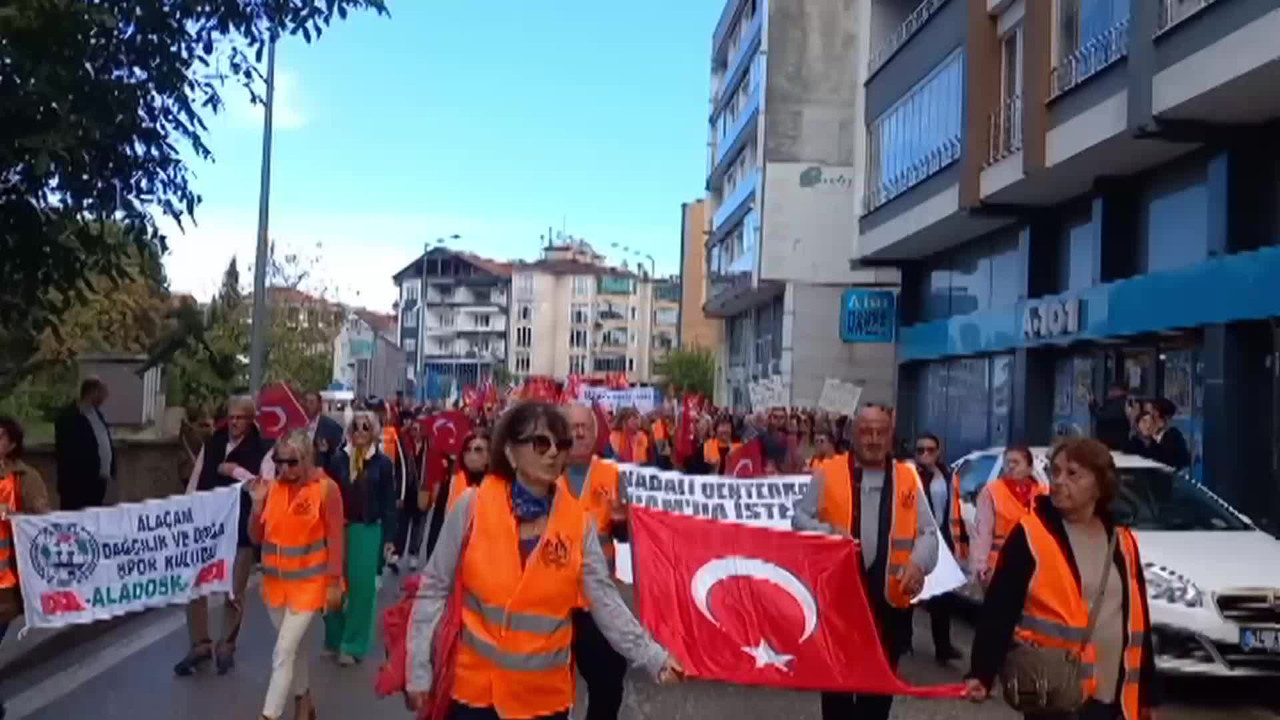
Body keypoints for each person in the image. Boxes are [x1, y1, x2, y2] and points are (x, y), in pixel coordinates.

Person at [406, 401, 683, 720]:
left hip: (543, 700)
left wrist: (654, 658)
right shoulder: (472, 506)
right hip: (476, 695)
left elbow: (606, 604)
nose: (553, 452)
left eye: (561, 444)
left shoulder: (579, 524)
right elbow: (433, 589)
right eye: (541, 443)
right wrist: (418, 670)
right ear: (511, 452)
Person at [965, 437, 1158, 720]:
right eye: (1054, 472)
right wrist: (982, 672)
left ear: (1099, 485)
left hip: (1112, 696)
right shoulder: (1031, 534)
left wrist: (1148, 694)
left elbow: (1138, 619)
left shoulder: (1122, 541)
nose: (1057, 481)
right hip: (1055, 690)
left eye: (1072, 474)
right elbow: (999, 609)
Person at [792, 405, 939, 720]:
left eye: (880, 432)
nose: (873, 439)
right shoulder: (827, 473)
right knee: (838, 700)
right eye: (866, 431)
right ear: (852, 434)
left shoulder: (908, 478)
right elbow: (799, 519)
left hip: (889, 605)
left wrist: (918, 564)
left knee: (877, 699)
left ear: (890, 437)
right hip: (839, 606)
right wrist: (829, 532)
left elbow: (928, 533)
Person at [247, 429, 345, 720]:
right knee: (291, 649)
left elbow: (337, 540)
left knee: (282, 652)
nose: (285, 469)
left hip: (309, 586)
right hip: (275, 587)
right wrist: (256, 506)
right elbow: (256, 537)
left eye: (292, 462)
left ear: (306, 459)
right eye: (280, 461)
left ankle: (269, 715)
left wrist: (334, 584)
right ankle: (305, 703)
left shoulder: (327, 490)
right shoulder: (271, 488)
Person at [177, 395, 273, 676]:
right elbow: (195, 480)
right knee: (195, 583)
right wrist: (186, 510)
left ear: (251, 419)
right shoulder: (213, 443)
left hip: (240, 528)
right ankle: (199, 644)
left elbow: (263, 486)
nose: (233, 422)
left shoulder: (262, 449)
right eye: (230, 417)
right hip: (207, 527)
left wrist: (234, 472)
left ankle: (226, 645)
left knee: (234, 589)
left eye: (240, 417)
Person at [562, 404, 629, 720]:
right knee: (546, 687)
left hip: (595, 601)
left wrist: (621, 521)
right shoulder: (543, 472)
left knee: (610, 678)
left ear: (594, 432)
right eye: (571, 426)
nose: (578, 432)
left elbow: (627, 537)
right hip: (550, 601)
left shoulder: (612, 474)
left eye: (584, 427)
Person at [324, 412, 396, 666]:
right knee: (333, 584)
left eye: (366, 427)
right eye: (356, 427)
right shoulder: (338, 460)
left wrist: (390, 537)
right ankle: (333, 639)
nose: (360, 431)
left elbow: (389, 503)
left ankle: (353, 644)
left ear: (374, 431)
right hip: (338, 528)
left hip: (367, 529)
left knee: (362, 588)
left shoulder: (383, 464)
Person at [0, 416, 52, 720]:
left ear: (12, 444)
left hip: (6, 582)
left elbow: (43, 520)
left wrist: (13, 514)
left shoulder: (25, 477)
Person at [913, 432, 961, 665]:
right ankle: (903, 642)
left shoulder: (946, 474)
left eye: (930, 450)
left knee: (943, 594)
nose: (925, 455)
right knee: (911, 593)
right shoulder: (910, 475)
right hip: (917, 538)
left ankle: (943, 646)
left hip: (942, 538)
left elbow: (952, 507)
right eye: (920, 450)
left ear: (938, 452)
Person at [969, 446, 1046, 588]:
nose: (1010, 466)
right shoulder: (991, 492)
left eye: (1016, 462)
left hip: (1035, 567)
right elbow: (983, 533)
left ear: (1029, 468)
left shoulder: (1042, 493)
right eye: (1007, 462)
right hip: (999, 565)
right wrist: (981, 565)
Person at [423, 431, 490, 559]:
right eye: (468, 450)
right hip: (452, 555)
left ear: (489, 456)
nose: (472, 455)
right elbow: (437, 525)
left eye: (478, 450)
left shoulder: (499, 488)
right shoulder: (452, 481)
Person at [54, 377, 114, 510]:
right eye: (102, 394)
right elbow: (66, 452)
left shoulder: (97, 414)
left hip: (98, 481)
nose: (104, 399)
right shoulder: (69, 417)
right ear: (93, 392)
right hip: (78, 484)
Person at [303, 390, 344, 471]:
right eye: (305, 402)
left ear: (319, 404)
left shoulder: (331, 427)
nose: (307, 405)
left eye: (311, 402)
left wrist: (325, 453)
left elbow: (340, 456)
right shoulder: (297, 424)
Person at [1144, 398, 1190, 471]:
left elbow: (1168, 460)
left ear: (1156, 413)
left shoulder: (1174, 436)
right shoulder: (1147, 435)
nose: (1144, 417)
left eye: (1148, 413)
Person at [1089, 383, 1132, 452]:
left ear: (1119, 391)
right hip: (1110, 441)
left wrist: (1092, 405)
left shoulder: (1119, 403)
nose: (1110, 392)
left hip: (1113, 442)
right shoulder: (1114, 403)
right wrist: (1094, 403)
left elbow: (1102, 416)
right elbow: (1103, 412)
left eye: (1112, 390)